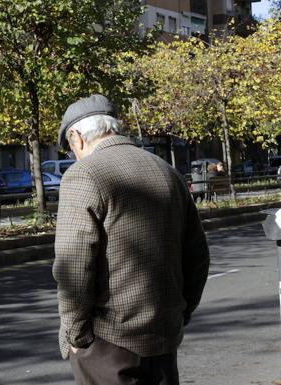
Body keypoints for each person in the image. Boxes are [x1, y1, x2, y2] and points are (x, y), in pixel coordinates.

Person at [53, 94, 210, 385]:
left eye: (70, 147)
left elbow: (73, 265)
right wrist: (180, 313)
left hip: (109, 342)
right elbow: (197, 256)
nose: (73, 154)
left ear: (76, 136)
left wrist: (75, 336)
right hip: (163, 336)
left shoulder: (84, 174)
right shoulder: (168, 172)